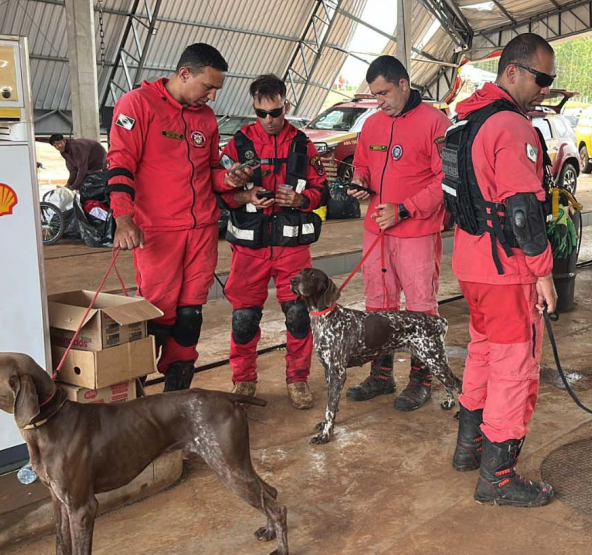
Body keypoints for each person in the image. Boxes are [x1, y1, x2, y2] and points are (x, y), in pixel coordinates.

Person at [445, 33, 558, 507]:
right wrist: (544, 272)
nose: (547, 89)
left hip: (470, 267)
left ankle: (468, 448)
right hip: (506, 271)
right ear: (512, 71)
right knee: (515, 367)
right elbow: (522, 211)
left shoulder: (464, 124)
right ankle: (498, 477)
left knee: (484, 354)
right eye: (542, 78)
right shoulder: (511, 127)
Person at [106, 43, 251, 392]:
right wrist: (124, 219)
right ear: (184, 74)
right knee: (156, 313)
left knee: (190, 314)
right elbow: (120, 163)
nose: (213, 96)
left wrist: (229, 179)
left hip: (201, 229)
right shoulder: (137, 105)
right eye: (208, 86)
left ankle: (177, 396)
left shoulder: (205, 118)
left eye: (217, 88)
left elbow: (212, 170)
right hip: (158, 231)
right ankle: (135, 396)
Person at [344, 56, 451, 411]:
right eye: (375, 95)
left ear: (403, 84)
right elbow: (362, 165)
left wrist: (405, 208)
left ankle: (421, 380)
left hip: (416, 231)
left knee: (420, 310)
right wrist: (360, 182)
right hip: (377, 231)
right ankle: (381, 374)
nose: (380, 101)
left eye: (385, 93)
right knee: (379, 304)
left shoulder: (436, 123)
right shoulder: (372, 125)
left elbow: (446, 180)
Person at [215, 74, 327, 409]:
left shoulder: (303, 145)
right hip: (249, 250)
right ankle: (244, 381)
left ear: (286, 107)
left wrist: (301, 200)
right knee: (244, 318)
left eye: (275, 113)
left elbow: (322, 191)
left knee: (298, 315)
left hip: (292, 250)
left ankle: (298, 379)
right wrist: (244, 193)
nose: (268, 121)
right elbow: (219, 188)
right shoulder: (238, 144)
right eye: (261, 113)